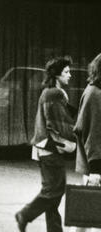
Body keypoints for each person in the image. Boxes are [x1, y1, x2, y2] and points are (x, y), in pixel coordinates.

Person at [15, 56, 76, 232]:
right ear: (57, 75)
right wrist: (75, 139)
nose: (70, 75)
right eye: (66, 72)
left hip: (44, 148)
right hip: (50, 149)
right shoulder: (53, 94)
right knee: (54, 191)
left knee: (52, 191)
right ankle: (25, 214)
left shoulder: (50, 92)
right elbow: (59, 123)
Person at [74, 52, 101, 232]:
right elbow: (91, 134)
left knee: (87, 218)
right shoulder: (95, 94)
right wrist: (95, 170)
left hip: (96, 165)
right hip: (97, 167)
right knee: (85, 218)